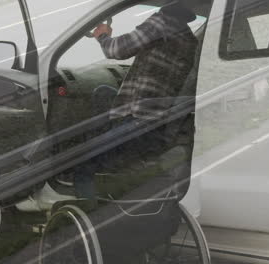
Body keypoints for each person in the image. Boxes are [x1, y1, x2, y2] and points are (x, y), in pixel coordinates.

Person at [69, 0, 199, 199]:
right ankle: (98, 143)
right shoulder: (189, 39)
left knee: (82, 161)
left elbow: (117, 50)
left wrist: (102, 35)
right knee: (103, 92)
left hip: (136, 120)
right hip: (156, 122)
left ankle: (90, 214)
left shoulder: (162, 22)